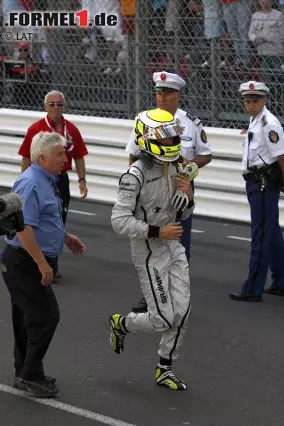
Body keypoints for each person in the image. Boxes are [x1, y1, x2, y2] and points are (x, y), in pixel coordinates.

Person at [110, 108, 193, 391]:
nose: (171, 142)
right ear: (146, 138)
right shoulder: (134, 174)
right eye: (165, 137)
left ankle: (164, 369)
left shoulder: (177, 167)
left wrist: (188, 194)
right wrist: (158, 231)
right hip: (148, 251)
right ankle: (123, 323)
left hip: (173, 245)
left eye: (173, 136)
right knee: (162, 319)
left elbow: (185, 212)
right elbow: (118, 221)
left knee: (181, 313)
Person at [0, 131, 85, 397]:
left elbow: (44, 218)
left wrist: (64, 237)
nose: (65, 158)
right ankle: (30, 375)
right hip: (24, 260)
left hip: (26, 259)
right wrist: (41, 263)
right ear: (41, 157)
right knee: (46, 316)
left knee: (26, 318)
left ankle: (24, 372)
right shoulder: (31, 183)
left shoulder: (48, 179)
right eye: (60, 154)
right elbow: (23, 229)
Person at [126, 71, 212, 313]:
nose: (162, 98)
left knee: (180, 243)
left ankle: (177, 293)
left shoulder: (192, 123)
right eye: (159, 93)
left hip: (180, 188)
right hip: (152, 189)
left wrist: (192, 166)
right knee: (152, 242)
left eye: (168, 94)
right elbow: (133, 154)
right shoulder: (145, 120)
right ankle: (151, 294)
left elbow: (206, 153)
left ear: (178, 96)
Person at [18, 90, 88, 279]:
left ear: (64, 106)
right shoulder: (36, 129)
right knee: (33, 218)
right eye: (52, 104)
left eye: (59, 104)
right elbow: (26, 156)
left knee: (58, 215)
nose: (56, 108)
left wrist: (82, 180)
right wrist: (25, 180)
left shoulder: (71, 129)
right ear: (45, 107)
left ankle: (52, 259)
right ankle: (38, 260)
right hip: (39, 178)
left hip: (60, 178)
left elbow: (79, 155)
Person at [230, 81, 284, 302]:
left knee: (260, 235)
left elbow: (281, 156)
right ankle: (282, 281)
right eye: (248, 101)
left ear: (265, 100)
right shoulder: (255, 120)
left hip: (263, 184)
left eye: (255, 100)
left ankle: (253, 287)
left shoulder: (269, 123)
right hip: (255, 182)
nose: (251, 105)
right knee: (270, 234)